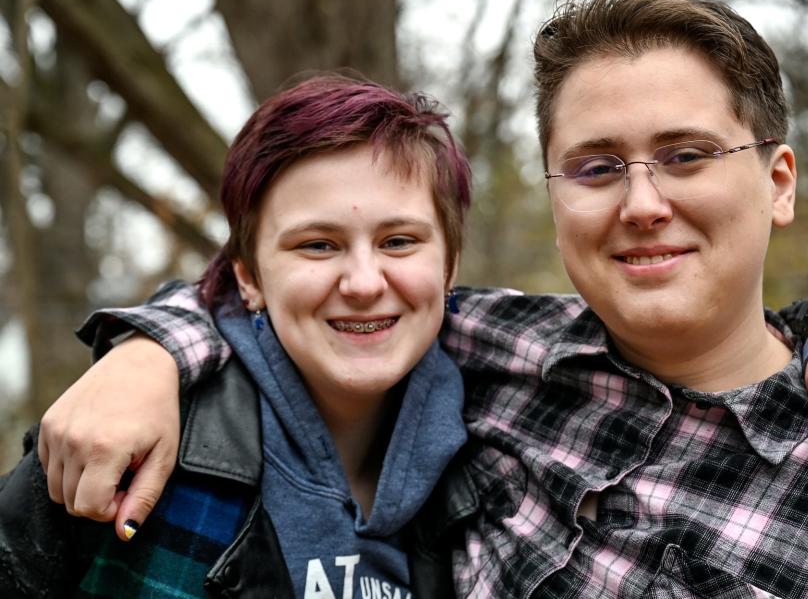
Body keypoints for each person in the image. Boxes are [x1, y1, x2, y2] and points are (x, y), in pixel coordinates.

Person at [24, 0, 808, 598]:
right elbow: (292, 301)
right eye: (594, 169)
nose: (642, 203)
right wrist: (146, 353)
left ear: (781, 182)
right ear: (554, 202)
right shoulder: (490, 352)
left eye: (686, 155)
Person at [0, 74, 472, 597]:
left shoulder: (503, 457)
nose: (363, 283)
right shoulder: (127, 445)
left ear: (449, 265)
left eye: (399, 241)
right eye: (317, 245)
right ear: (248, 277)